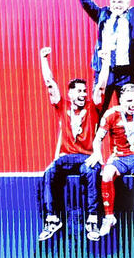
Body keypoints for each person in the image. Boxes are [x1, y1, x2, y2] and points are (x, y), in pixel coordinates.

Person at [36, 62, 101, 241]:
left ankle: (92, 220)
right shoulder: (62, 105)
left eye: (85, 91)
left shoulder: (92, 107)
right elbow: (49, 83)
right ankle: (52, 219)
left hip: (86, 158)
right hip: (66, 158)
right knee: (49, 172)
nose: (83, 94)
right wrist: (44, 59)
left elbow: (102, 85)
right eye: (79, 91)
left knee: (91, 171)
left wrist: (104, 63)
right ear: (70, 93)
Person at [83, 83, 134, 240]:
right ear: (121, 100)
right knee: (107, 173)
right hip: (119, 157)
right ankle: (109, 217)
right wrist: (97, 153)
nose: (133, 104)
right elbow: (98, 139)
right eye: (129, 101)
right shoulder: (111, 114)